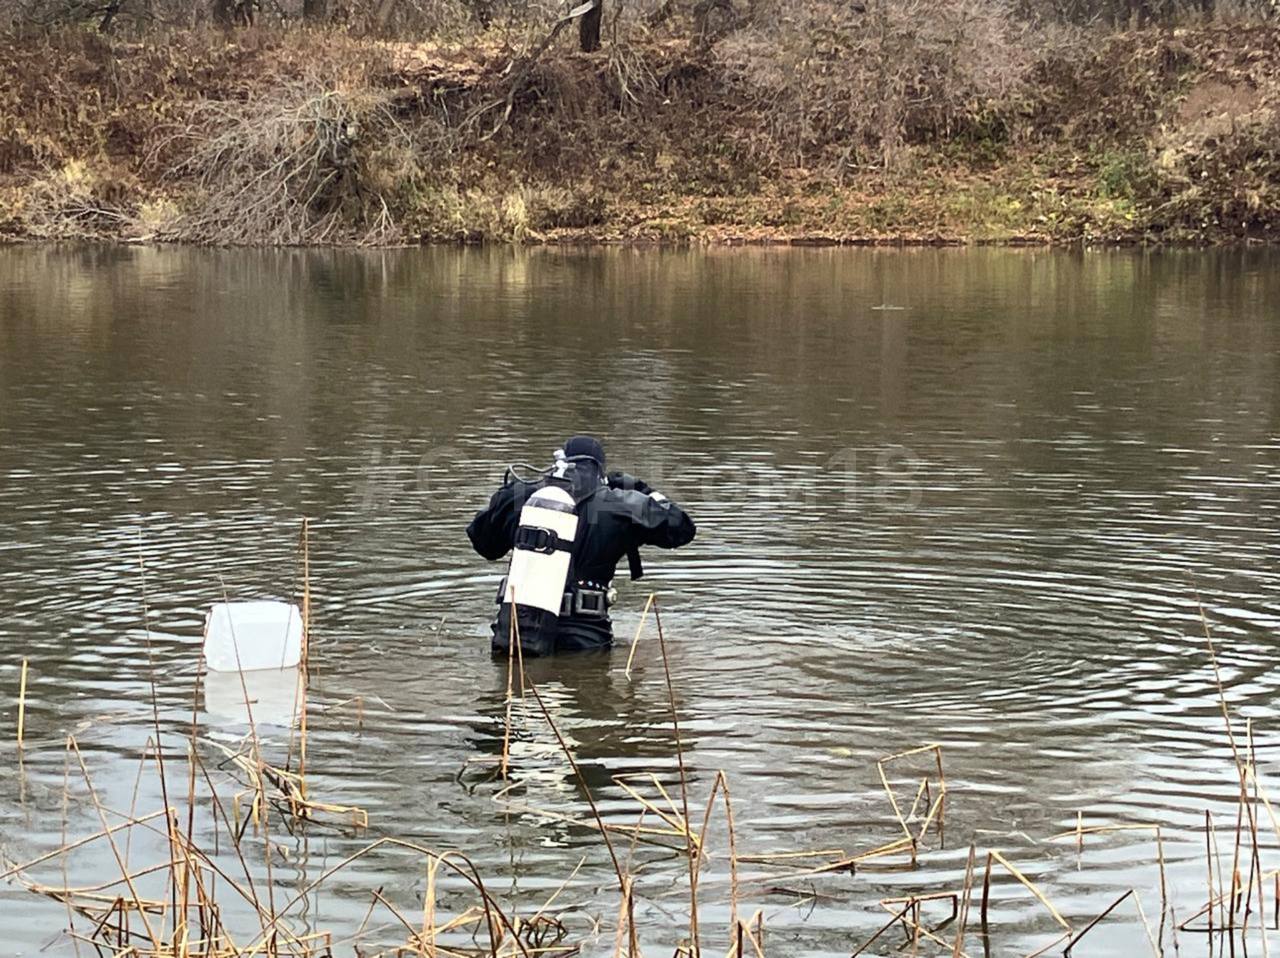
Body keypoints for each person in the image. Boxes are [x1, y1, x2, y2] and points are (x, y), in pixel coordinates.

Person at [467, 435, 695, 656]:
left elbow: (485, 545)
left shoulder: (522, 497)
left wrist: (506, 499)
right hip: (586, 639)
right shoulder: (620, 504)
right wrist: (639, 487)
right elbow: (682, 527)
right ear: (600, 471)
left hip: (517, 632)